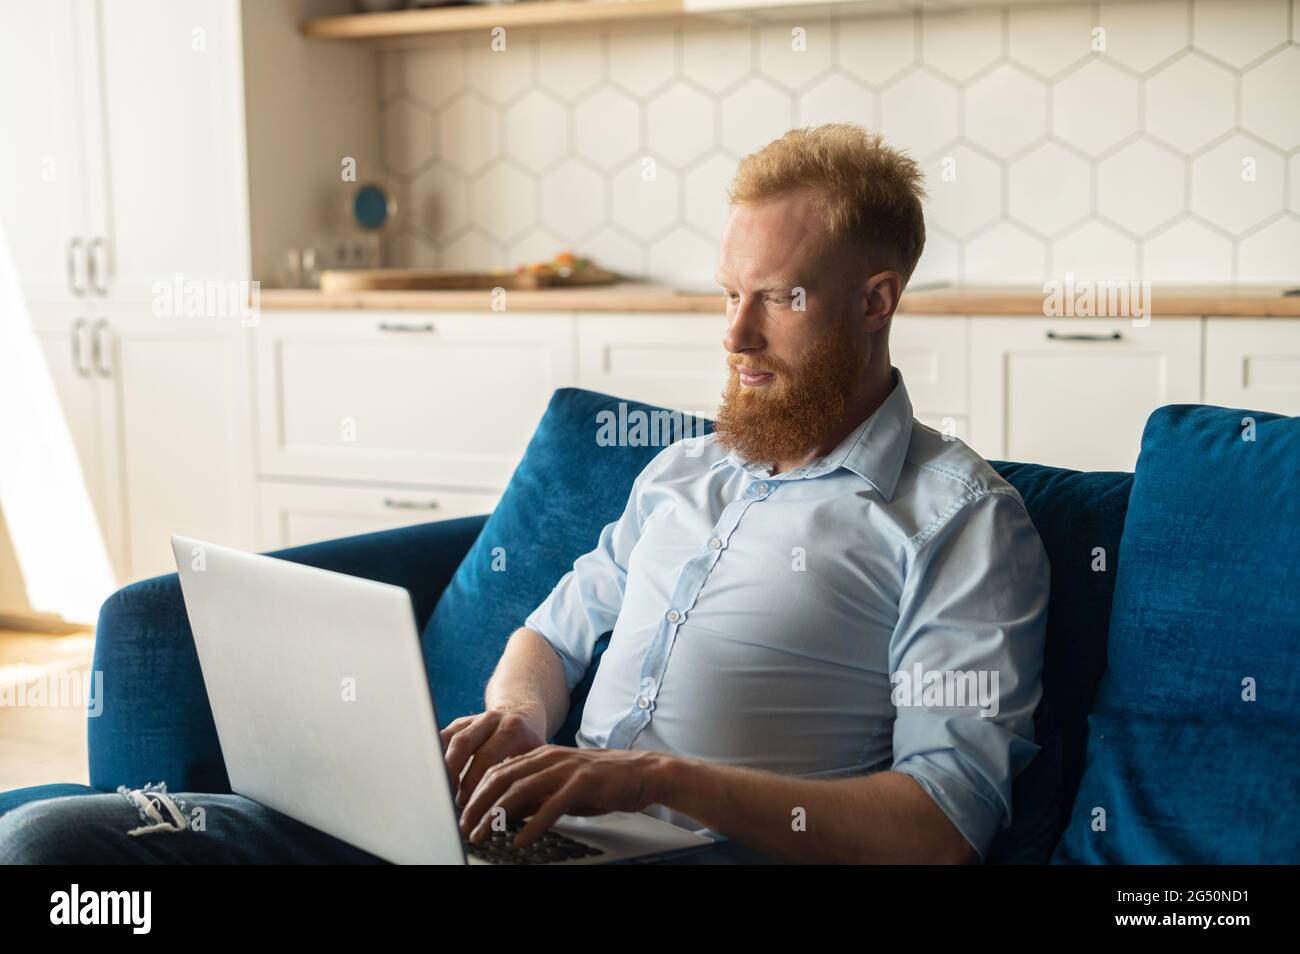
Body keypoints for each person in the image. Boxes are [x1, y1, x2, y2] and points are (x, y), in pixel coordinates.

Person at [0, 124, 1048, 865]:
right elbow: (548, 641)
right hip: (512, 838)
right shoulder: (681, 473)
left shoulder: (956, 520)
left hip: (689, 855)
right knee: (53, 844)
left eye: (778, 298)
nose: (733, 338)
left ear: (877, 302)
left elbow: (939, 827)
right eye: (729, 294)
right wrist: (513, 720)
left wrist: (654, 779)